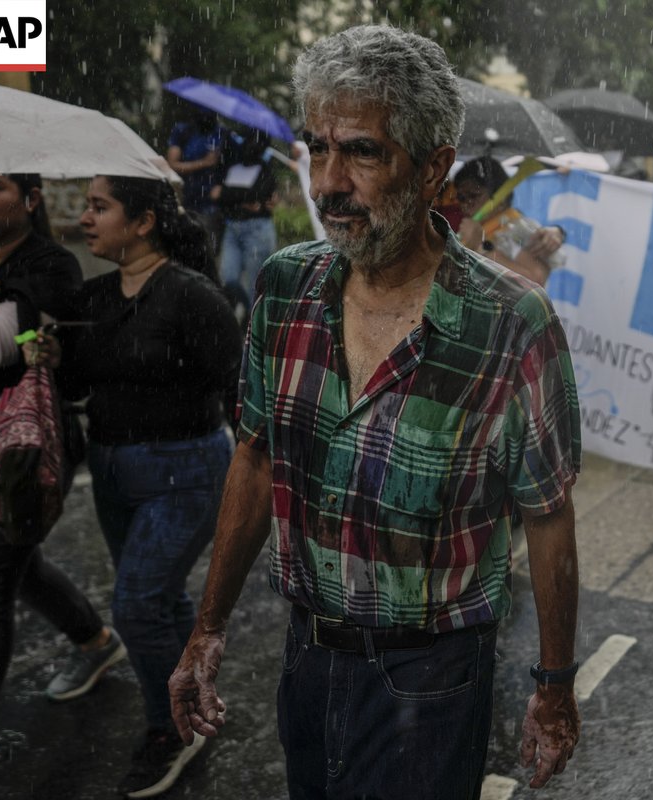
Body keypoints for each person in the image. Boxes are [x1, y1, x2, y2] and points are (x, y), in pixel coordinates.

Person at [167, 24, 582, 800]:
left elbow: (548, 516)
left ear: (432, 171)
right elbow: (254, 459)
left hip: (433, 681)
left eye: (360, 152)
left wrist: (554, 683)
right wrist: (208, 627)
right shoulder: (285, 287)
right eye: (317, 147)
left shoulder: (511, 323)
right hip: (306, 658)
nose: (326, 182)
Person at [28, 175, 242, 798]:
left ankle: (170, 730)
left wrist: (265, 485)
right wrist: (44, 355)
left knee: (137, 605)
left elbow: (235, 390)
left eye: (100, 207)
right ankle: (193, 704)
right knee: (163, 598)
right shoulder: (90, 297)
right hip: (113, 469)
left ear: (144, 220)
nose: (87, 219)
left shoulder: (192, 297)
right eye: (88, 208)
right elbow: (73, 390)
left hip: (187, 467)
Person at [0, 173, 123, 791]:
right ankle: (95, 639)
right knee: (11, 568)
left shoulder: (49, 265)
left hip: (12, 453)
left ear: (29, 199)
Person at [454, 155, 565, 286]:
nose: (467, 203)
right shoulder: (471, 231)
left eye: (474, 195)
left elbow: (534, 280)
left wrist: (481, 247)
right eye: (461, 197)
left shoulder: (517, 227)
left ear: (501, 199)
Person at [213, 127, 279, 314]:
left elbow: (259, 195)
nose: (252, 146)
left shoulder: (265, 169)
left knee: (255, 286)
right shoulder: (233, 167)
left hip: (258, 231)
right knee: (228, 279)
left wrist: (230, 195)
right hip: (232, 229)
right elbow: (217, 196)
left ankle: (251, 329)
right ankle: (242, 316)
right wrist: (245, 201)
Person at [166, 109, 226, 247]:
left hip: (210, 203)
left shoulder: (221, 132)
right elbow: (173, 164)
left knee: (207, 247)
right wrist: (204, 162)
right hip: (184, 199)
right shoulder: (183, 130)